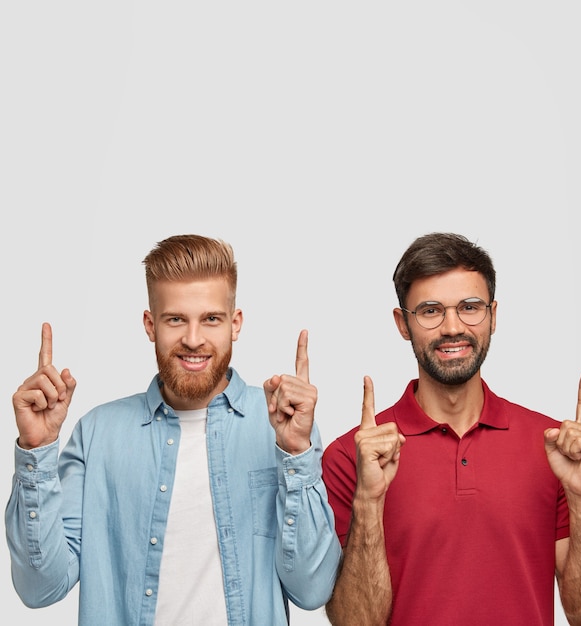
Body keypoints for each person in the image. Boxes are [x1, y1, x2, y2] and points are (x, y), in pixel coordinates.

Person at [6, 234, 341, 626]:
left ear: (235, 324)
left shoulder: (283, 425)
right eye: (176, 319)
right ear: (151, 325)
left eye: (211, 319)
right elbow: (39, 588)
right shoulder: (97, 434)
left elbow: (312, 590)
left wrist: (297, 452)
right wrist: (37, 449)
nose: (193, 339)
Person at [322, 232, 581, 626]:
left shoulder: (552, 447)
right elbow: (355, 623)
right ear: (402, 323)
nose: (452, 327)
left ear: (493, 316)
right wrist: (369, 500)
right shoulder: (352, 456)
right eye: (430, 310)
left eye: (469, 307)